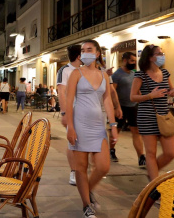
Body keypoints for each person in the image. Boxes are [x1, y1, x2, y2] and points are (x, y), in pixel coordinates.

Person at [65, 39, 118, 218]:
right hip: (79, 124)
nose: (85, 53)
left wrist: (113, 125)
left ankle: (87, 189)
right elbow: (69, 101)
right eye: (82, 50)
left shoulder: (104, 75)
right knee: (81, 167)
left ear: (97, 54)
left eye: (89, 49)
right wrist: (70, 127)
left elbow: (107, 100)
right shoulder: (76, 74)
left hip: (98, 126)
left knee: (103, 167)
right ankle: (86, 205)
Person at [130, 44, 174, 181]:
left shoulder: (165, 73)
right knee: (151, 153)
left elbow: (171, 89)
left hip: (164, 116)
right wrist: (150, 95)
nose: (162, 56)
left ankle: (152, 173)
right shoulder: (140, 75)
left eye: (162, 53)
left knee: (170, 153)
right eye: (159, 54)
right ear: (150, 57)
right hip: (147, 116)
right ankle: (154, 187)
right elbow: (132, 97)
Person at [111, 52, 145, 168]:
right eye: (132, 61)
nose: (134, 63)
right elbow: (112, 91)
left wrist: (142, 99)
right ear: (125, 60)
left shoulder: (134, 74)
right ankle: (111, 150)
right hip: (121, 107)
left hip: (133, 106)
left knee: (136, 131)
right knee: (117, 130)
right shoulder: (117, 75)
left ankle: (141, 157)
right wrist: (116, 107)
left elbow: (137, 89)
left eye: (135, 61)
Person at [57, 44, 82, 186]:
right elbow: (61, 92)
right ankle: (73, 172)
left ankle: (81, 170)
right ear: (79, 56)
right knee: (72, 141)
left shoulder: (85, 70)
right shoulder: (64, 70)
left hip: (86, 111)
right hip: (72, 111)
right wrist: (64, 112)